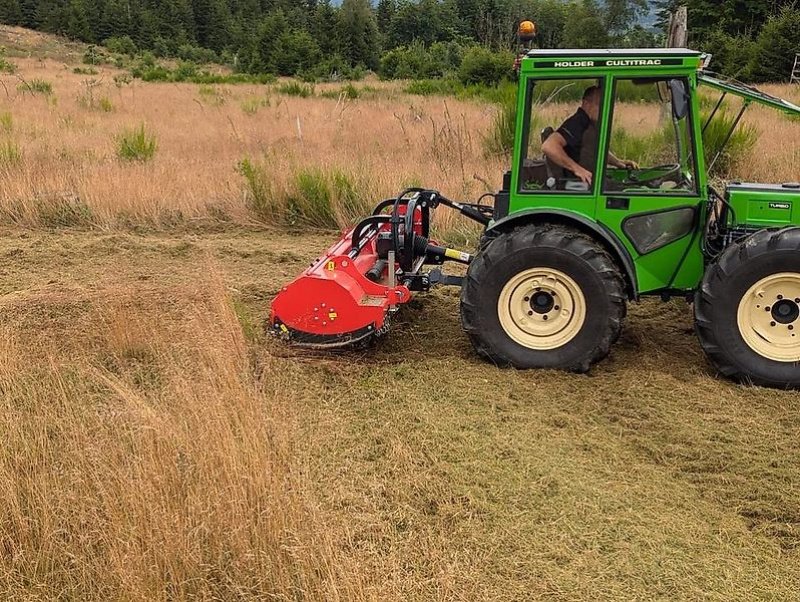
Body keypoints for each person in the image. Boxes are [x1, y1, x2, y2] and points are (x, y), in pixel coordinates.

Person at [541, 85, 638, 187]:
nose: (605, 109)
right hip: (579, 184)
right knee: (627, 190)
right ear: (586, 104)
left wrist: (618, 162)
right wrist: (577, 169)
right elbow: (549, 146)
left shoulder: (590, 123)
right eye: (600, 105)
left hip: (590, 181)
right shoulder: (577, 122)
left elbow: (593, 150)